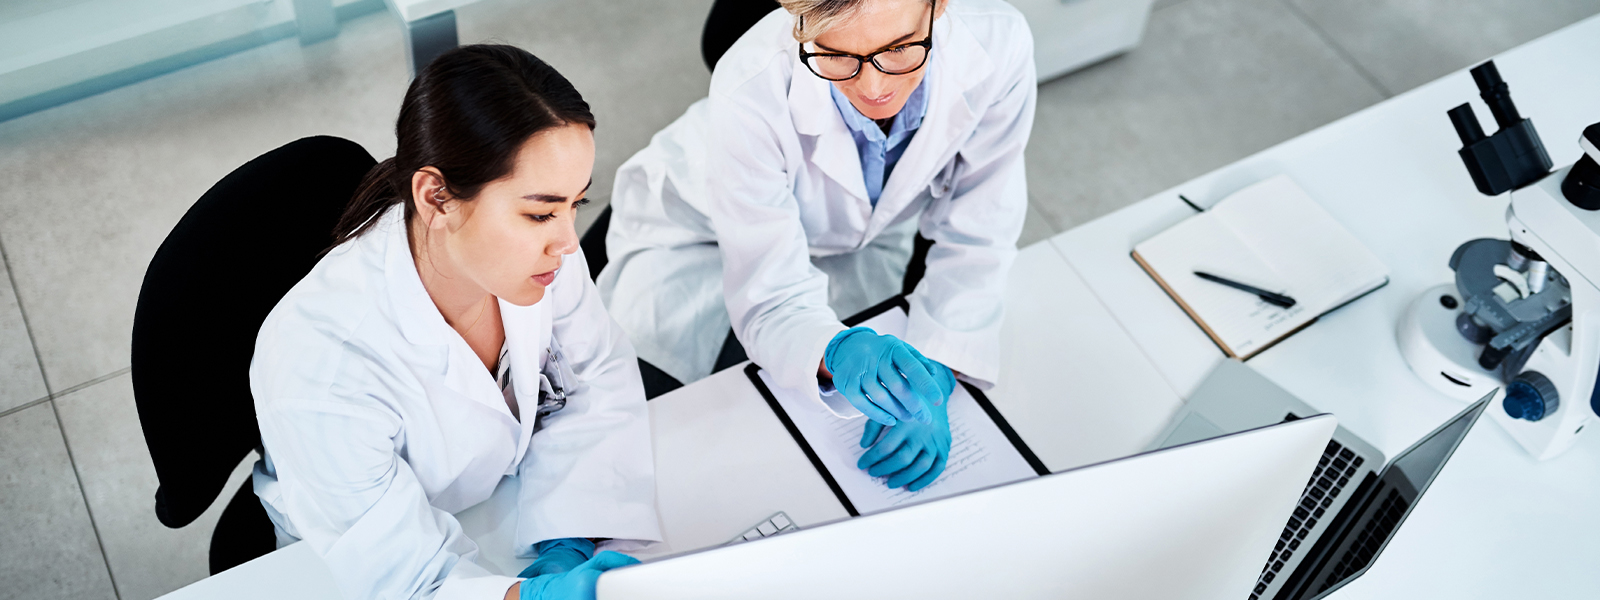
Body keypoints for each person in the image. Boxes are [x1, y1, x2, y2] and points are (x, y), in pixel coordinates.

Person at [249, 45, 659, 600]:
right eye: (540, 213)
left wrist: (572, 532)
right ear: (437, 196)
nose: (567, 242)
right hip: (349, 566)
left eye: (575, 205)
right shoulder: (320, 362)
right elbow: (408, 576)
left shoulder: (537, 257)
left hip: (509, 510)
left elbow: (595, 374)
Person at [598, 0, 1035, 492]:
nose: (874, 89)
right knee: (640, 431)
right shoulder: (751, 84)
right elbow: (772, 293)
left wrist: (942, 355)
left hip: (856, 244)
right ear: (800, 22)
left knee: (787, 446)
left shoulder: (999, 45)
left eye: (899, 48)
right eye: (835, 54)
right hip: (693, 230)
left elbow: (981, 224)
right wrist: (836, 350)